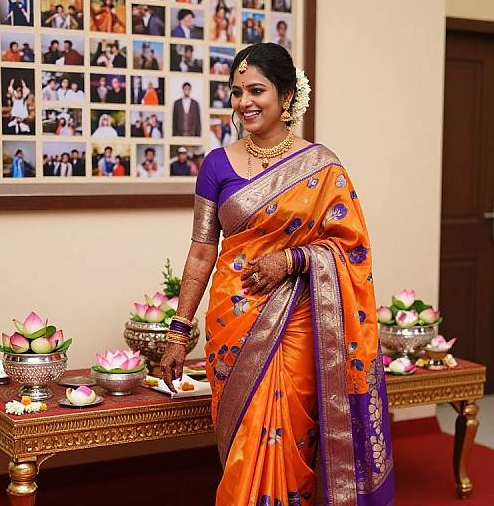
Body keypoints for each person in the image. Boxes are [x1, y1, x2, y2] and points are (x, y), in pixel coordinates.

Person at [160, 43, 395, 505]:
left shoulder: (322, 166)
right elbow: (202, 251)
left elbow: (352, 247)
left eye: (256, 90)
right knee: (245, 439)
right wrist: (177, 329)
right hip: (233, 321)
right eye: (236, 92)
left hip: (301, 322)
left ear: (286, 96)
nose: (244, 101)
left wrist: (292, 260)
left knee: (293, 432)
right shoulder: (216, 166)